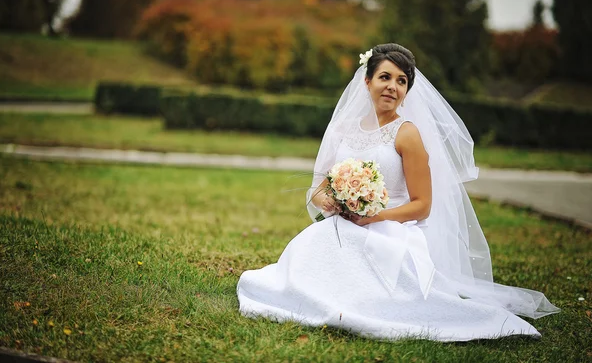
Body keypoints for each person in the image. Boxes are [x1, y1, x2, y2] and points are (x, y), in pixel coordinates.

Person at [237, 43, 559, 341]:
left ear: (407, 91)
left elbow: (422, 205)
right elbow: (318, 189)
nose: (392, 86)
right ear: (367, 81)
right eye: (385, 77)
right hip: (344, 223)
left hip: (392, 231)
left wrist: (374, 216)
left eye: (402, 81)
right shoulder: (342, 130)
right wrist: (331, 201)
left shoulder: (407, 135)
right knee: (311, 246)